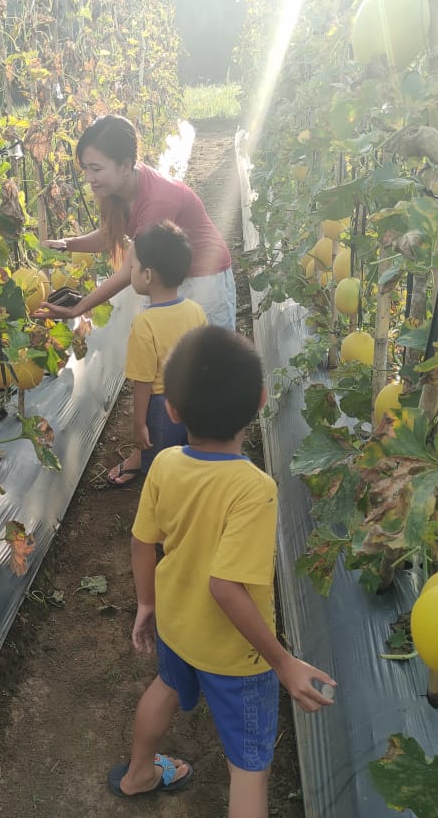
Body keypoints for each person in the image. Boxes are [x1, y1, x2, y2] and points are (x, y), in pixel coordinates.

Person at [107, 327, 335, 817]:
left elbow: (142, 541)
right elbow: (226, 586)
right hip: (238, 656)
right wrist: (282, 661)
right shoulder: (254, 488)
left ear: (171, 410)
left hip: (176, 623)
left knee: (165, 688)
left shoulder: (165, 464)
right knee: (250, 767)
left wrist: (147, 604)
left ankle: (138, 774)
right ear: (260, 400)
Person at [37, 114, 236, 485]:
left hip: (205, 281)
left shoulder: (157, 200)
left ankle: (208, 461)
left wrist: (79, 307)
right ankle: (156, 451)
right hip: (172, 279)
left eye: (96, 168)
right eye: (86, 169)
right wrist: (66, 244)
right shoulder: (119, 193)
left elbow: (129, 271)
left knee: (207, 374)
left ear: (126, 165)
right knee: (170, 371)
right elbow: (110, 234)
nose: (90, 178)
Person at [120, 221, 207, 485]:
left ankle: (164, 512)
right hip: (194, 401)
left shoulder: (145, 324)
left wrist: (139, 425)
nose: (130, 272)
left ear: (147, 275)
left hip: (161, 410)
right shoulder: (195, 310)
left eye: (132, 267)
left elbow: (144, 383)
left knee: (161, 468)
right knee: (190, 461)